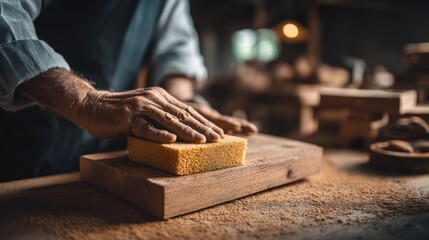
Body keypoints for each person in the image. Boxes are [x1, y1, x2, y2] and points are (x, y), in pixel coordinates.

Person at [0, 0, 257, 182]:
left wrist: (182, 106)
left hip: (109, 157)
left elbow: (177, 54)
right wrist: (86, 101)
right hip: (19, 148)